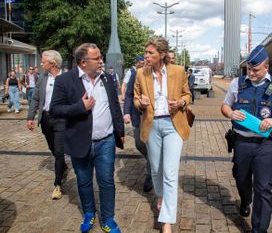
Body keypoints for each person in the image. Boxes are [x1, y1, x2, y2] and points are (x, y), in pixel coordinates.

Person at [221, 45, 272, 233]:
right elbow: (224, 106)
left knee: (263, 188)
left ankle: (259, 229)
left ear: (266, 68)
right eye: (248, 69)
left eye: (255, 70)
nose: (251, 73)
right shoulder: (237, 84)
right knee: (241, 179)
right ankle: (246, 199)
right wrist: (230, 113)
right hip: (242, 142)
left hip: (266, 144)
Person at [50, 43, 124, 233]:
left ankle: (108, 219)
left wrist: (120, 132)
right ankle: (89, 213)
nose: (101, 61)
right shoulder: (65, 80)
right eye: (97, 58)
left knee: (106, 181)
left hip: (105, 141)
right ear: (83, 62)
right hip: (80, 141)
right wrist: (80, 108)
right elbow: (55, 110)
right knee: (84, 181)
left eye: (101, 57)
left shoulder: (107, 78)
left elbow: (115, 106)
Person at [134, 36, 191, 233]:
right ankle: (160, 195)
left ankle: (166, 220)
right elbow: (135, 98)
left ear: (162, 54)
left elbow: (187, 94)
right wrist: (140, 103)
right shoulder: (141, 73)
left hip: (173, 124)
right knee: (156, 169)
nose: (146, 55)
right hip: (152, 125)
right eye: (146, 52)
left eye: (150, 53)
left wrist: (182, 103)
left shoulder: (178, 71)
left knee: (170, 172)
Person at [27, 50, 68, 200]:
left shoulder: (66, 77)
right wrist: (30, 117)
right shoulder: (42, 78)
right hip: (45, 118)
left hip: (61, 119)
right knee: (52, 148)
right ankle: (62, 166)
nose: (41, 64)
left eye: (43, 62)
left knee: (59, 151)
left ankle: (57, 184)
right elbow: (36, 98)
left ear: (52, 63)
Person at [123, 55, 153, 193]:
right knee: (139, 144)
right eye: (141, 62)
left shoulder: (156, 74)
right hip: (137, 117)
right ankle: (154, 161)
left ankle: (150, 175)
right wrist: (127, 112)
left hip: (152, 118)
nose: (144, 64)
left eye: (145, 61)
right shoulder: (135, 75)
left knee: (151, 145)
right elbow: (129, 94)